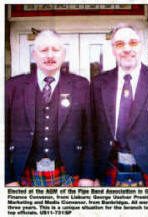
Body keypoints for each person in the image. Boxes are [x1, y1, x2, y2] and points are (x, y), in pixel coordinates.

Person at [91, 23, 148, 186]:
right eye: (120, 44)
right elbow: (91, 133)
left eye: (133, 43)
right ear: (113, 49)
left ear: (141, 47)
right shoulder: (99, 83)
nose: (127, 49)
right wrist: (92, 173)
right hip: (109, 168)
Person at [5, 30, 94, 187]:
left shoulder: (81, 85)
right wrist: (8, 178)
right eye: (44, 50)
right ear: (34, 54)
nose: (50, 55)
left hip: (68, 172)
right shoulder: (13, 86)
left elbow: (89, 135)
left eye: (55, 50)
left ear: (64, 53)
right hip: (24, 174)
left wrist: (87, 176)